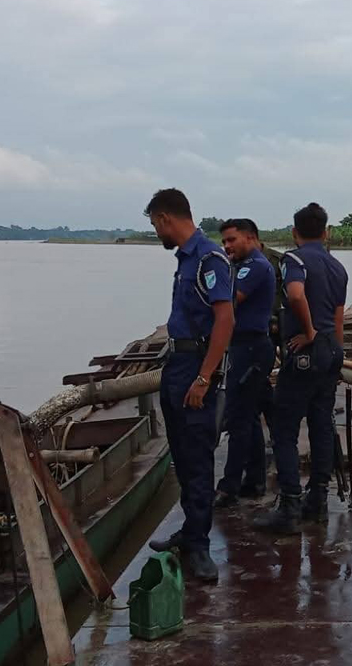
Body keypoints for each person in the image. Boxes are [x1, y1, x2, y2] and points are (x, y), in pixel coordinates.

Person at [143, 189, 234, 581]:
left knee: (198, 458)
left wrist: (204, 377)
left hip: (195, 366)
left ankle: (199, 547)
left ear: (165, 218)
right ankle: (189, 531)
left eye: (154, 225)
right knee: (181, 456)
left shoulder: (209, 258)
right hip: (176, 364)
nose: (156, 233)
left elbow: (225, 321)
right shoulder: (185, 261)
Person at [254, 203, 348, 534]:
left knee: (284, 428)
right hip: (330, 354)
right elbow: (338, 319)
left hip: (305, 353)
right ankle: (317, 501)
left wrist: (307, 332)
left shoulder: (294, 260)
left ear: (294, 233)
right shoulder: (337, 268)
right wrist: (337, 355)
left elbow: (295, 295)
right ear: (326, 232)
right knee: (322, 424)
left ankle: (290, 505)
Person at [215, 218, 276, 506]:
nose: (226, 246)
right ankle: (254, 481)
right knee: (248, 417)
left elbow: (228, 298)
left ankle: (228, 487)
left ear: (250, 238)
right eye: (224, 242)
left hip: (251, 347)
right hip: (244, 346)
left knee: (238, 417)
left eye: (231, 240)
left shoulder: (255, 266)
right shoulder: (241, 266)